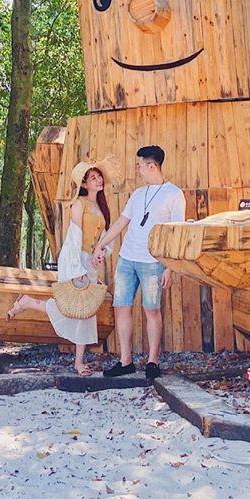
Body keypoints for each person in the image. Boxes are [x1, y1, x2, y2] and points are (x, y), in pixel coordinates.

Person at [6, 160, 114, 376]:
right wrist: (77, 268)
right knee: (77, 309)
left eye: (99, 176)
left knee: (85, 311)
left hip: (90, 262)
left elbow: (103, 237)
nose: (98, 180)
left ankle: (29, 303)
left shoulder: (100, 206)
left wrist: (101, 253)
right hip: (76, 259)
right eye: (93, 178)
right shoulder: (79, 204)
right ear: (83, 184)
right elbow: (73, 238)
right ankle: (78, 363)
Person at [91, 145, 184, 380]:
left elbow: (178, 235)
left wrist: (170, 268)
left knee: (151, 310)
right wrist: (101, 245)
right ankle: (126, 361)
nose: (138, 169)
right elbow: (122, 222)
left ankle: (153, 361)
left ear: (152, 166)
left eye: (140, 165)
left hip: (153, 263)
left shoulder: (174, 195)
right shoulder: (138, 194)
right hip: (126, 259)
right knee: (121, 307)